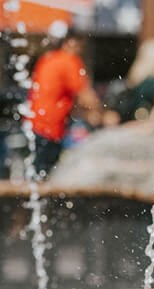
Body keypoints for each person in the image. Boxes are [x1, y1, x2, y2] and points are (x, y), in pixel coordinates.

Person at [26, 25, 102, 179]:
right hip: (49, 126)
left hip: (34, 123)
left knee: (37, 173)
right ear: (70, 43)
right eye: (80, 45)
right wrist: (102, 114)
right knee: (48, 174)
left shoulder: (47, 59)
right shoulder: (69, 61)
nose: (81, 50)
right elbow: (85, 96)